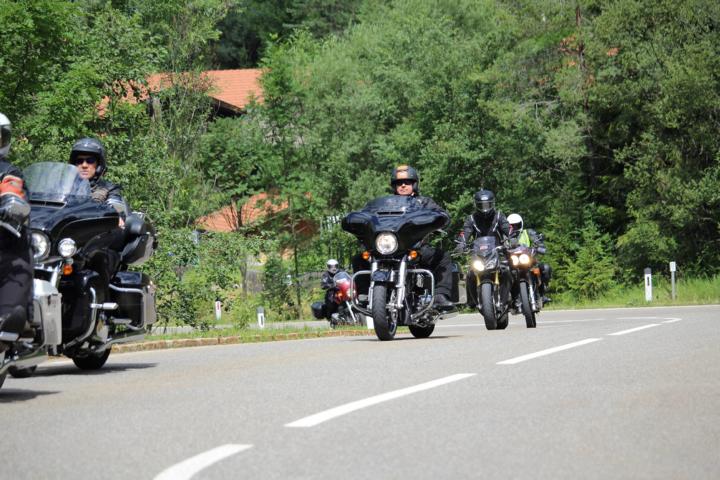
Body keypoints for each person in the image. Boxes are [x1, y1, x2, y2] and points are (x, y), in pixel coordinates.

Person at [351, 165, 454, 309]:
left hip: (416, 248)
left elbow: (442, 215)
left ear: (414, 184)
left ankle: (440, 295)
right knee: (359, 259)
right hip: (388, 247)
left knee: (443, 257)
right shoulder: (385, 204)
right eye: (399, 183)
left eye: (407, 182)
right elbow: (366, 214)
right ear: (394, 186)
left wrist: (439, 220)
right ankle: (364, 294)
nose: (403, 185)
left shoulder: (424, 202)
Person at [0, 112, 32, 335]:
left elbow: (12, 192)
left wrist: (10, 204)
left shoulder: (8, 172)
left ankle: (11, 322)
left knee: (17, 266)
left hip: (6, 245)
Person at [456, 189, 510, 308]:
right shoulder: (471, 219)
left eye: (487, 205)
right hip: (479, 254)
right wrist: (461, 243)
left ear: (492, 204)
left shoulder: (499, 216)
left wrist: (512, 237)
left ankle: (508, 299)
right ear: (476, 205)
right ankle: (472, 301)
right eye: (482, 205)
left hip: (498, 251)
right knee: (470, 274)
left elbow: (507, 227)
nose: (485, 208)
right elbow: (465, 232)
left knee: (507, 271)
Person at [507, 213, 552, 302]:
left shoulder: (527, 232)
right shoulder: (505, 237)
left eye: (516, 225)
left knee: (545, 268)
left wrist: (540, 246)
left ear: (521, 224)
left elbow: (537, 240)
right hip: (513, 262)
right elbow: (499, 246)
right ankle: (507, 297)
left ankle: (542, 293)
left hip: (528, 259)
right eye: (511, 226)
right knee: (504, 273)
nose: (514, 228)